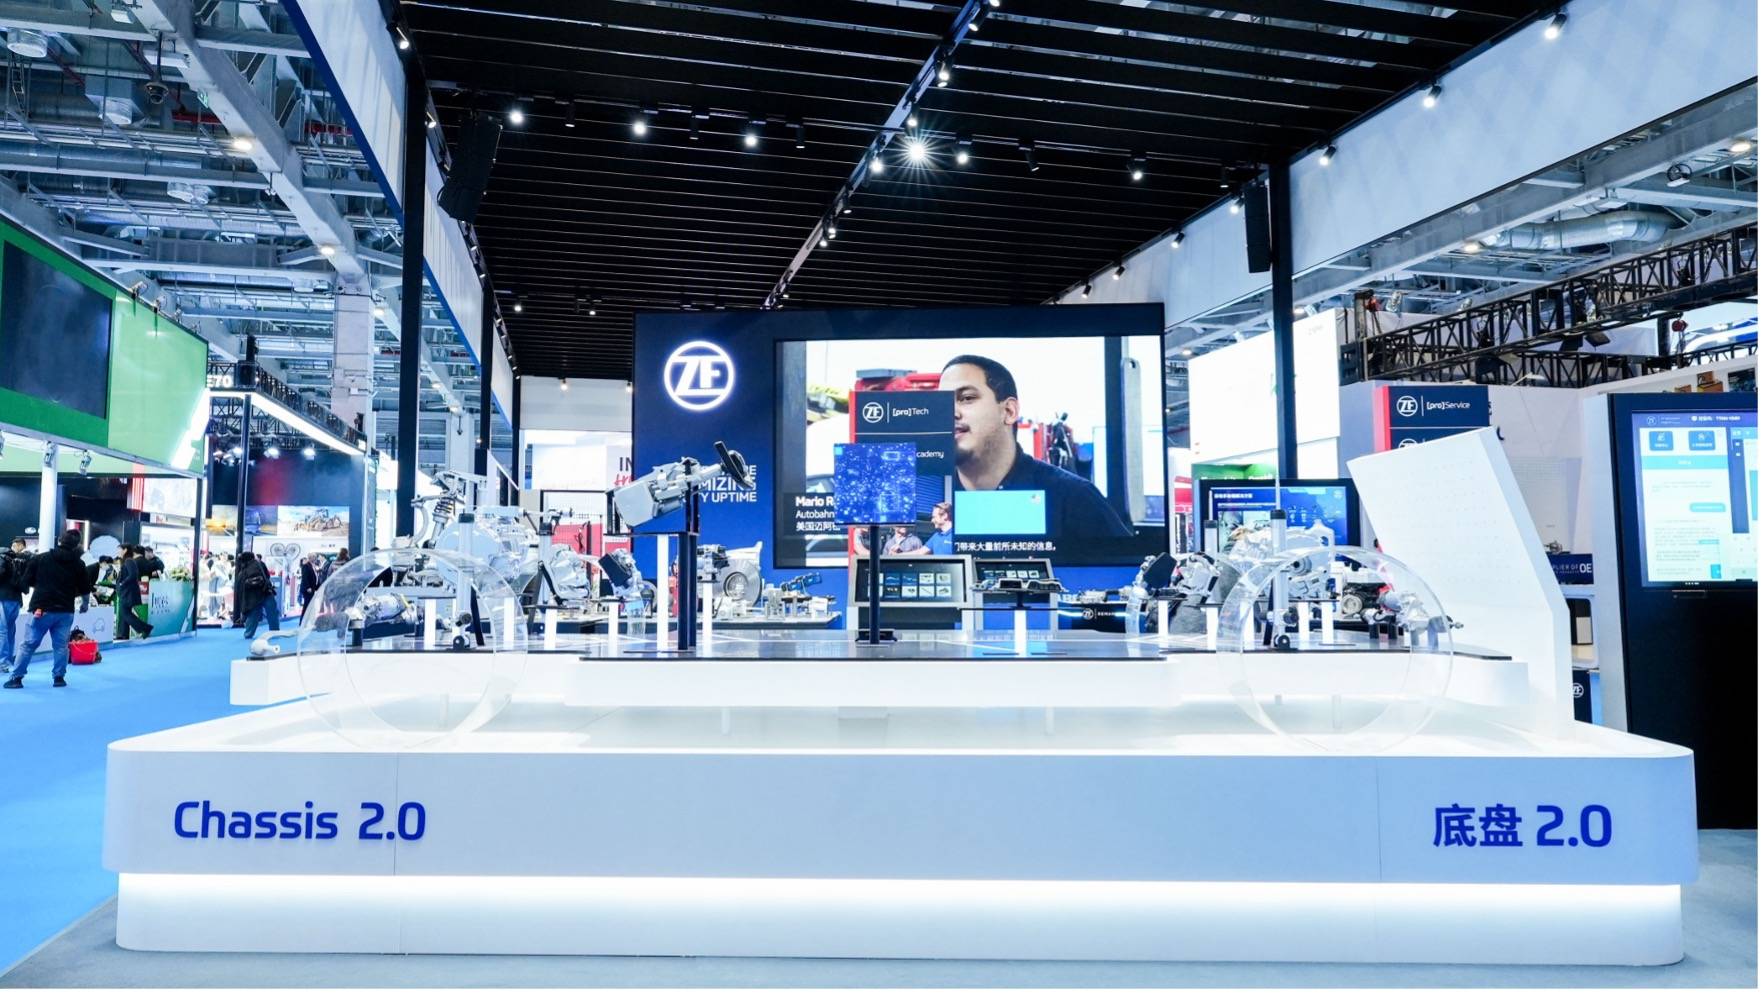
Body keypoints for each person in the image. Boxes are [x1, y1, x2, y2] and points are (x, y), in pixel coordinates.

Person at [937, 355, 1132, 540]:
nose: (949, 412)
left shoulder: (1075, 499)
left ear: (1009, 411)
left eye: (967, 398)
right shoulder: (928, 496)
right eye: (942, 402)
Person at [4, 529, 94, 688]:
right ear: (76, 545)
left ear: (59, 540)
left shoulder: (41, 558)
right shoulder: (78, 564)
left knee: (28, 644)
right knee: (61, 646)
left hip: (41, 608)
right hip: (65, 610)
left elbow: (25, 582)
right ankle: (59, 678)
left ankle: (16, 678)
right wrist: (85, 605)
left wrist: (38, 585)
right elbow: (85, 589)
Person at [115, 544, 159, 640]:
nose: (117, 552)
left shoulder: (129, 561)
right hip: (126, 592)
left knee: (125, 613)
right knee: (124, 613)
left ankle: (145, 628)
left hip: (128, 592)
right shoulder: (126, 561)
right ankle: (123, 635)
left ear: (125, 550)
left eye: (119, 549)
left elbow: (133, 575)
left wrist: (122, 583)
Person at [0, 537, 31, 674]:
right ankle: (7, 661)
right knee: (9, 630)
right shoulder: (23, 560)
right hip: (16, 599)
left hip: (2, 597)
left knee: (2, 631)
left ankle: (2, 662)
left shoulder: (3, 558)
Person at [234, 551, 279, 638]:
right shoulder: (260, 564)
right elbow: (267, 576)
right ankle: (275, 632)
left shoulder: (243, 569)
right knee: (272, 613)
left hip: (252, 596)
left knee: (253, 615)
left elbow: (240, 585)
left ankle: (248, 633)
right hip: (266, 591)